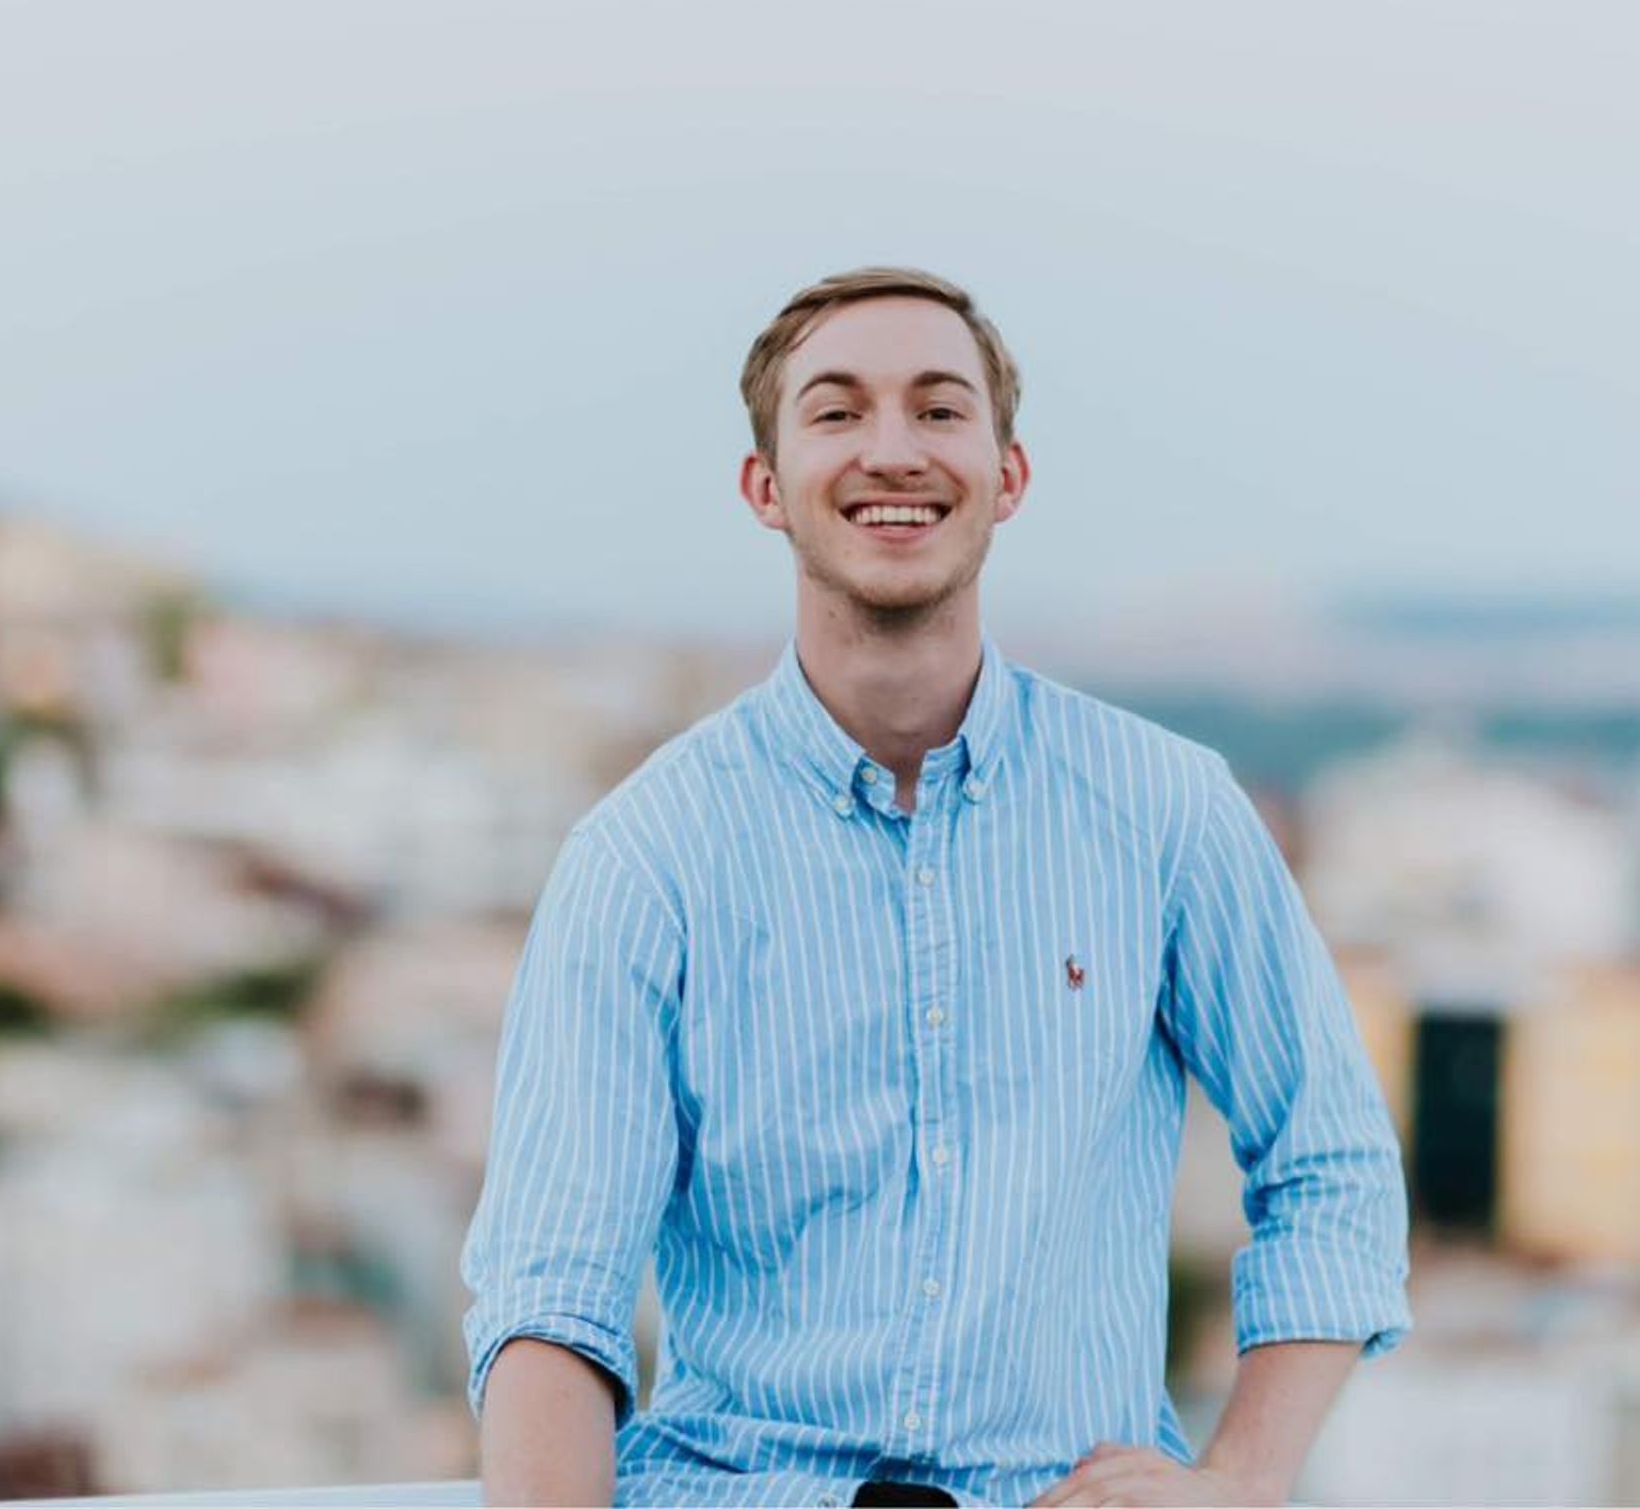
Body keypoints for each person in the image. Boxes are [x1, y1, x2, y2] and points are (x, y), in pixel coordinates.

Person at [462, 267, 1411, 1508]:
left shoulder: (1167, 812)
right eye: (839, 411)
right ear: (766, 486)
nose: (893, 450)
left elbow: (1332, 1161)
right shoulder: (645, 858)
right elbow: (551, 1294)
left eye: (941, 408)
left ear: (1008, 475)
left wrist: (1242, 1475)